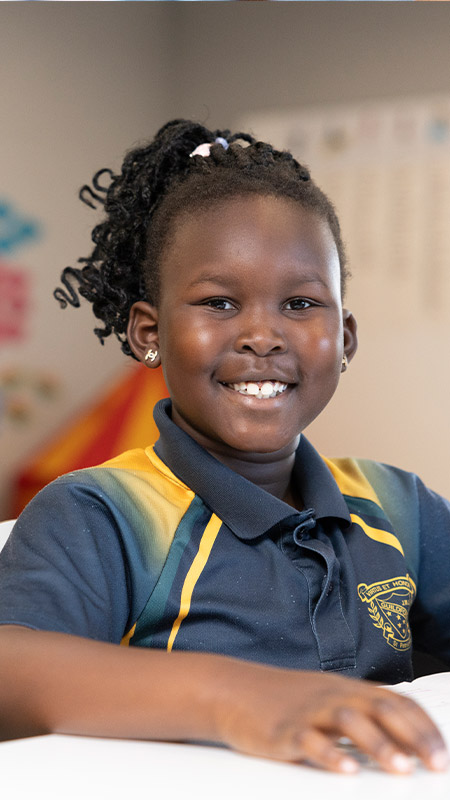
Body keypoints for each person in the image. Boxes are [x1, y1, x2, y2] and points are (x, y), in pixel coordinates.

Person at [0, 119, 449, 774]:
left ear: (345, 339)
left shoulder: (399, 505)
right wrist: (233, 697)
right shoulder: (101, 514)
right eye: (218, 302)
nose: (263, 335)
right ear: (148, 333)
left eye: (300, 303)